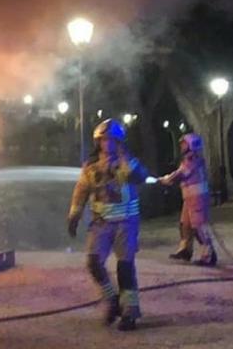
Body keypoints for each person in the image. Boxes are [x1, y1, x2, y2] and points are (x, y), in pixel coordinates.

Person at [67, 118, 149, 331]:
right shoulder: (91, 167)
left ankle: (129, 312)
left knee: (125, 267)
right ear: (97, 142)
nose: (107, 144)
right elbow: (81, 190)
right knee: (93, 263)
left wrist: (125, 161)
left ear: (119, 142)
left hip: (126, 223)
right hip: (101, 224)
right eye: (103, 140)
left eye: (111, 140)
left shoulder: (128, 163)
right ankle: (112, 300)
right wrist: (74, 214)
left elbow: (141, 176)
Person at [160, 132, 217, 266]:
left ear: (191, 145)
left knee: (198, 227)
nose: (182, 147)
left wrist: (167, 179)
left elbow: (182, 173)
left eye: (184, 144)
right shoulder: (189, 158)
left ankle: (208, 254)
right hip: (190, 198)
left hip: (197, 198)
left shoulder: (193, 159)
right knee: (185, 224)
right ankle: (185, 249)